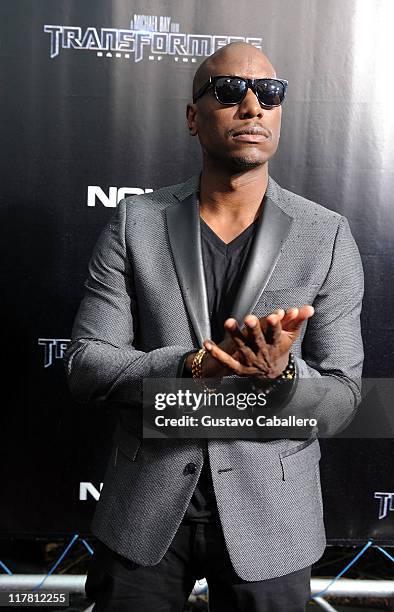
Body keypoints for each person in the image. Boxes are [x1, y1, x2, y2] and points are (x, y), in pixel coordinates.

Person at [64, 42, 364, 611]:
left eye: (268, 94)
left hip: (273, 519)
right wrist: (192, 365)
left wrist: (282, 378)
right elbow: (87, 366)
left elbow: (345, 396)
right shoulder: (136, 223)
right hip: (144, 511)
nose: (252, 106)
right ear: (192, 116)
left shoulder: (325, 236)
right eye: (229, 91)